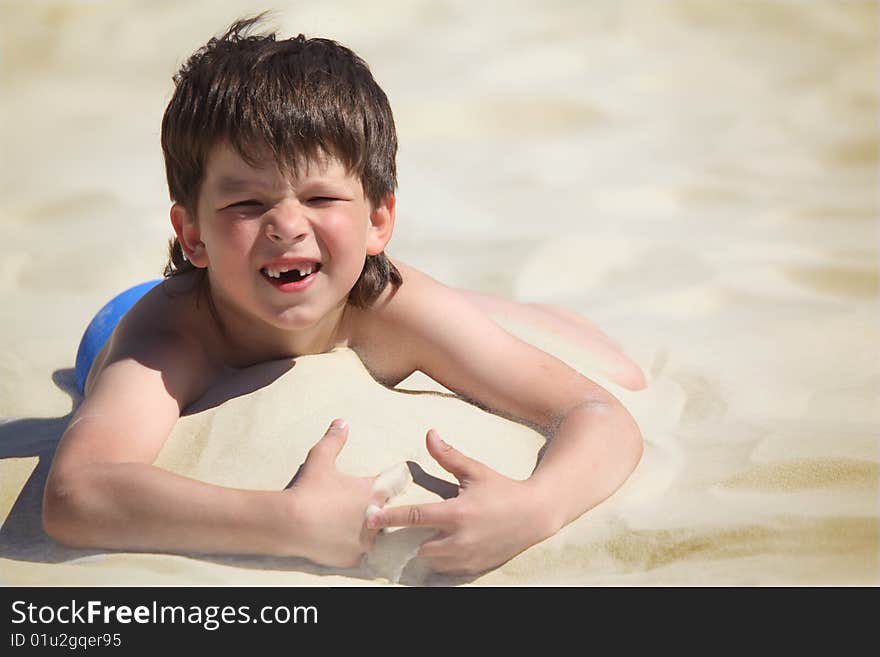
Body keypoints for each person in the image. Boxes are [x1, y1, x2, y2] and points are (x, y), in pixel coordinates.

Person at [42, 15, 645, 575]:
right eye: (246, 204)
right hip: (126, 313)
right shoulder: (168, 339)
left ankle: (511, 311)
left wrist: (536, 507)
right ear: (193, 234)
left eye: (321, 199)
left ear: (379, 220)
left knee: (491, 326)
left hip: (354, 286)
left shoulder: (388, 306)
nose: (286, 225)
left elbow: (598, 415)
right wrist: (285, 522)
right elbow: (78, 492)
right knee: (95, 346)